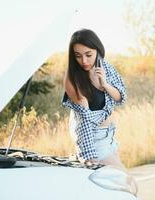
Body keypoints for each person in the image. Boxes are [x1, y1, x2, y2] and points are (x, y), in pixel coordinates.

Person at [62, 29, 127, 169]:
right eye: (78, 56)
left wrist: (105, 84)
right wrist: (89, 155)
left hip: (109, 135)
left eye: (88, 55)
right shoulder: (72, 79)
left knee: (114, 186)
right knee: (127, 182)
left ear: (97, 50)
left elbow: (121, 97)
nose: (84, 61)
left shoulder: (105, 67)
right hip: (95, 140)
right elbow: (82, 122)